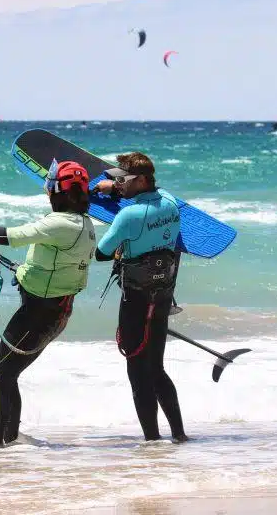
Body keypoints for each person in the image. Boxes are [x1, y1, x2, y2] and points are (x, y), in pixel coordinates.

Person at [0, 160, 96, 449]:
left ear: (56, 192)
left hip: (38, 315)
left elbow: (9, 236)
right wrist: (24, 274)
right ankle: (11, 444)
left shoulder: (59, 223)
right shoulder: (85, 224)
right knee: (9, 374)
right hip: (56, 313)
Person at [93, 152, 189, 443]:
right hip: (162, 294)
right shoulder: (171, 204)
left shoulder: (128, 216)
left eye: (124, 180)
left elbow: (102, 253)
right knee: (157, 367)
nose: (119, 183)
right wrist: (116, 190)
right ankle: (180, 435)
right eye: (117, 179)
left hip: (136, 299)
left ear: (143, 180)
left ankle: (152, 441)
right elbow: (149, 206)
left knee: (137, 371)